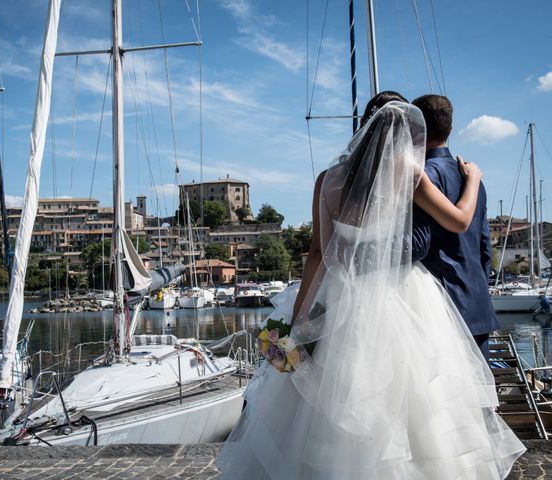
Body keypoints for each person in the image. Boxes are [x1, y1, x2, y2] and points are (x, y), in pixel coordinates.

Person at [217, 98, 524, 479]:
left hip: (338, 293)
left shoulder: (327, 180)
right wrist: (474, 180)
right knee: (412, 405)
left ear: (364, 125)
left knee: (322, 408)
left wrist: (297, 325)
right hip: (401, 295)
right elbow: (459, 221)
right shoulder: (409, 173)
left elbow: (317, 256)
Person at [411, 94, 498, 359]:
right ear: (450, 128)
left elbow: (419, 244)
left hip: (440, 307)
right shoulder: (472, 177)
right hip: (477, 303)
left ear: (418, 128)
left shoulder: (420, 176)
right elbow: (484, 244)